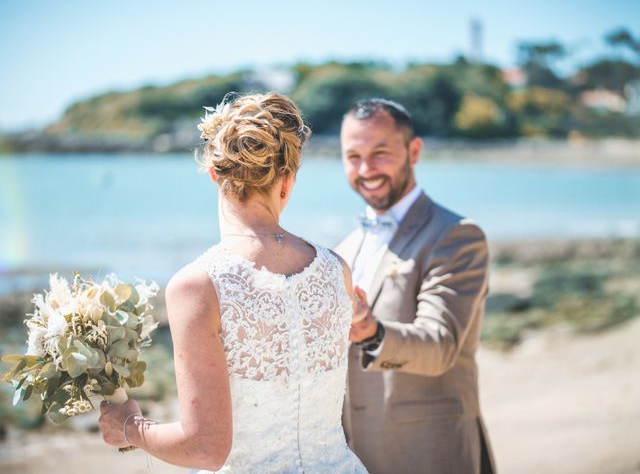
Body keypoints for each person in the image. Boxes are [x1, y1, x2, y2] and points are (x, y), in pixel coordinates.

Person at [99, 92, 368, 473]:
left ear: (214, 173)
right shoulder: (336, 269)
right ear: (287, 181)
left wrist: (128, 427)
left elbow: (205, 449)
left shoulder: (198, 286)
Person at [336, 98, 496, 474]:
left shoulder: (457, 236)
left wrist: (372, 332)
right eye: (353, 156)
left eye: (379, 153)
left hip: (431, 454)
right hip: (352, 459)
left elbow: (440, 344)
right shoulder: (343, 249)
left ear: (414, 150)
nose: (365, 169)